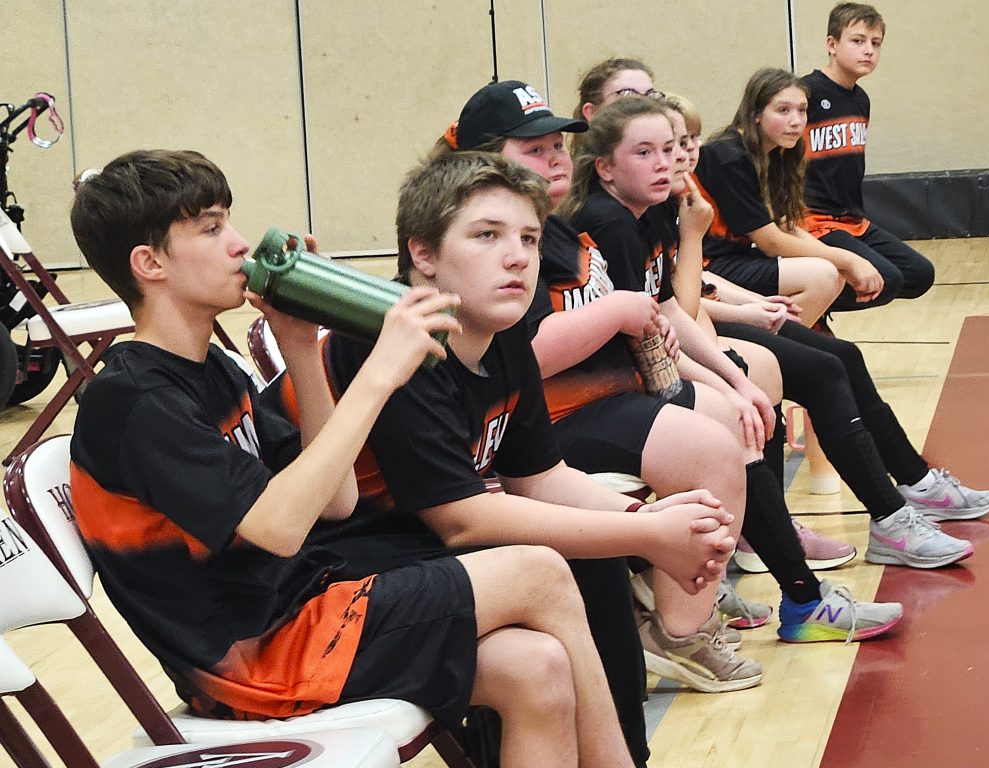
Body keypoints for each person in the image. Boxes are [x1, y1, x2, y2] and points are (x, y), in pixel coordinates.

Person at [67, 149, 645, 768]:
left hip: (307, 611)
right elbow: (280, 529)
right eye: (211, 228)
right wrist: (378, 374)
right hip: (256, 658)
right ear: (149, 263)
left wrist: (298, 345)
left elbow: (335, 500)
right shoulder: (133, 401)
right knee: (541, 572)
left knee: (537, 668)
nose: (239, 244)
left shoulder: (212, 367)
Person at [310, 150, 746, 766]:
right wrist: (646, 533)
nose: (517, 256)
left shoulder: (505, 328)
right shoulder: (388, 340)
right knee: (570, 563)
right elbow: (460, 520)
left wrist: (661, 523)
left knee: (587, 556)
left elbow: (539, 477)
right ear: (423, 255)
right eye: (486, 236)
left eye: (529, 237)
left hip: (420, 554)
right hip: (346, 575)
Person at [432, 79, 767, 693]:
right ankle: (698, 620)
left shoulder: (556, 238)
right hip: (542, 430)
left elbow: (659, 308)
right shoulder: (438, 324)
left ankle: (729, 576)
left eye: (559, 144)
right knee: (708, 447)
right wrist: (644, 528)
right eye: (534, 147)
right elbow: (462, 513)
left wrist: (648, 524)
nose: (557, 157)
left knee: (739, 398)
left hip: (564, 417)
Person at [559, 94, 903, 642]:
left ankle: (784, 580)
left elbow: (671, 309)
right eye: (645, 151)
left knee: (755, 391)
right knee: (731, 429)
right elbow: (649, 340)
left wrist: (736, 381)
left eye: (671, 148)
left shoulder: (649, 213)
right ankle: (791, 597)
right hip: (602, 394)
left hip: (626, 382)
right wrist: (725, 390)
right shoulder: (609, 222)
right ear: (604, 166)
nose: (666, 161)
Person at [659, 92, 989, 567]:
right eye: (665, 146)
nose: (684, 154)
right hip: (682, 343)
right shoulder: (667, 197)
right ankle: (783, 527)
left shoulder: (676, 194)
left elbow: (690, 289)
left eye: (686, 141)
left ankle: (913, 487)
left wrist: (754, 307)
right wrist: (748, 309)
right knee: (810, 368)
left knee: (842, 356)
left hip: (706, 316)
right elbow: (678, 302)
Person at [693, 67, 888, 325]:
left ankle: (790, 340)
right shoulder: (727, 157)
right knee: (824, 275)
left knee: (832, 272)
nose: (796, 121)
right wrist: (849, 259)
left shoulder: (777, 153)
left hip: (734, 257)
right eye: (783, 110)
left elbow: (786, 224)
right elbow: (770, 242)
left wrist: (838, 259)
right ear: (756, 115)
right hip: (708, 265)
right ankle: (782, 347)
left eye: (802, 110)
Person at [802, 2, 935, 312]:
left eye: (876, 44)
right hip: (813, 220)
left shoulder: (861, 99)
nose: (869, 51)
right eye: (858, 41)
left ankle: (817, 301)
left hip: (853, 220)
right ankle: (807, 308)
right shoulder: (805, 93)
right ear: (832, 44)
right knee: (886, 280)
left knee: (919, 275)